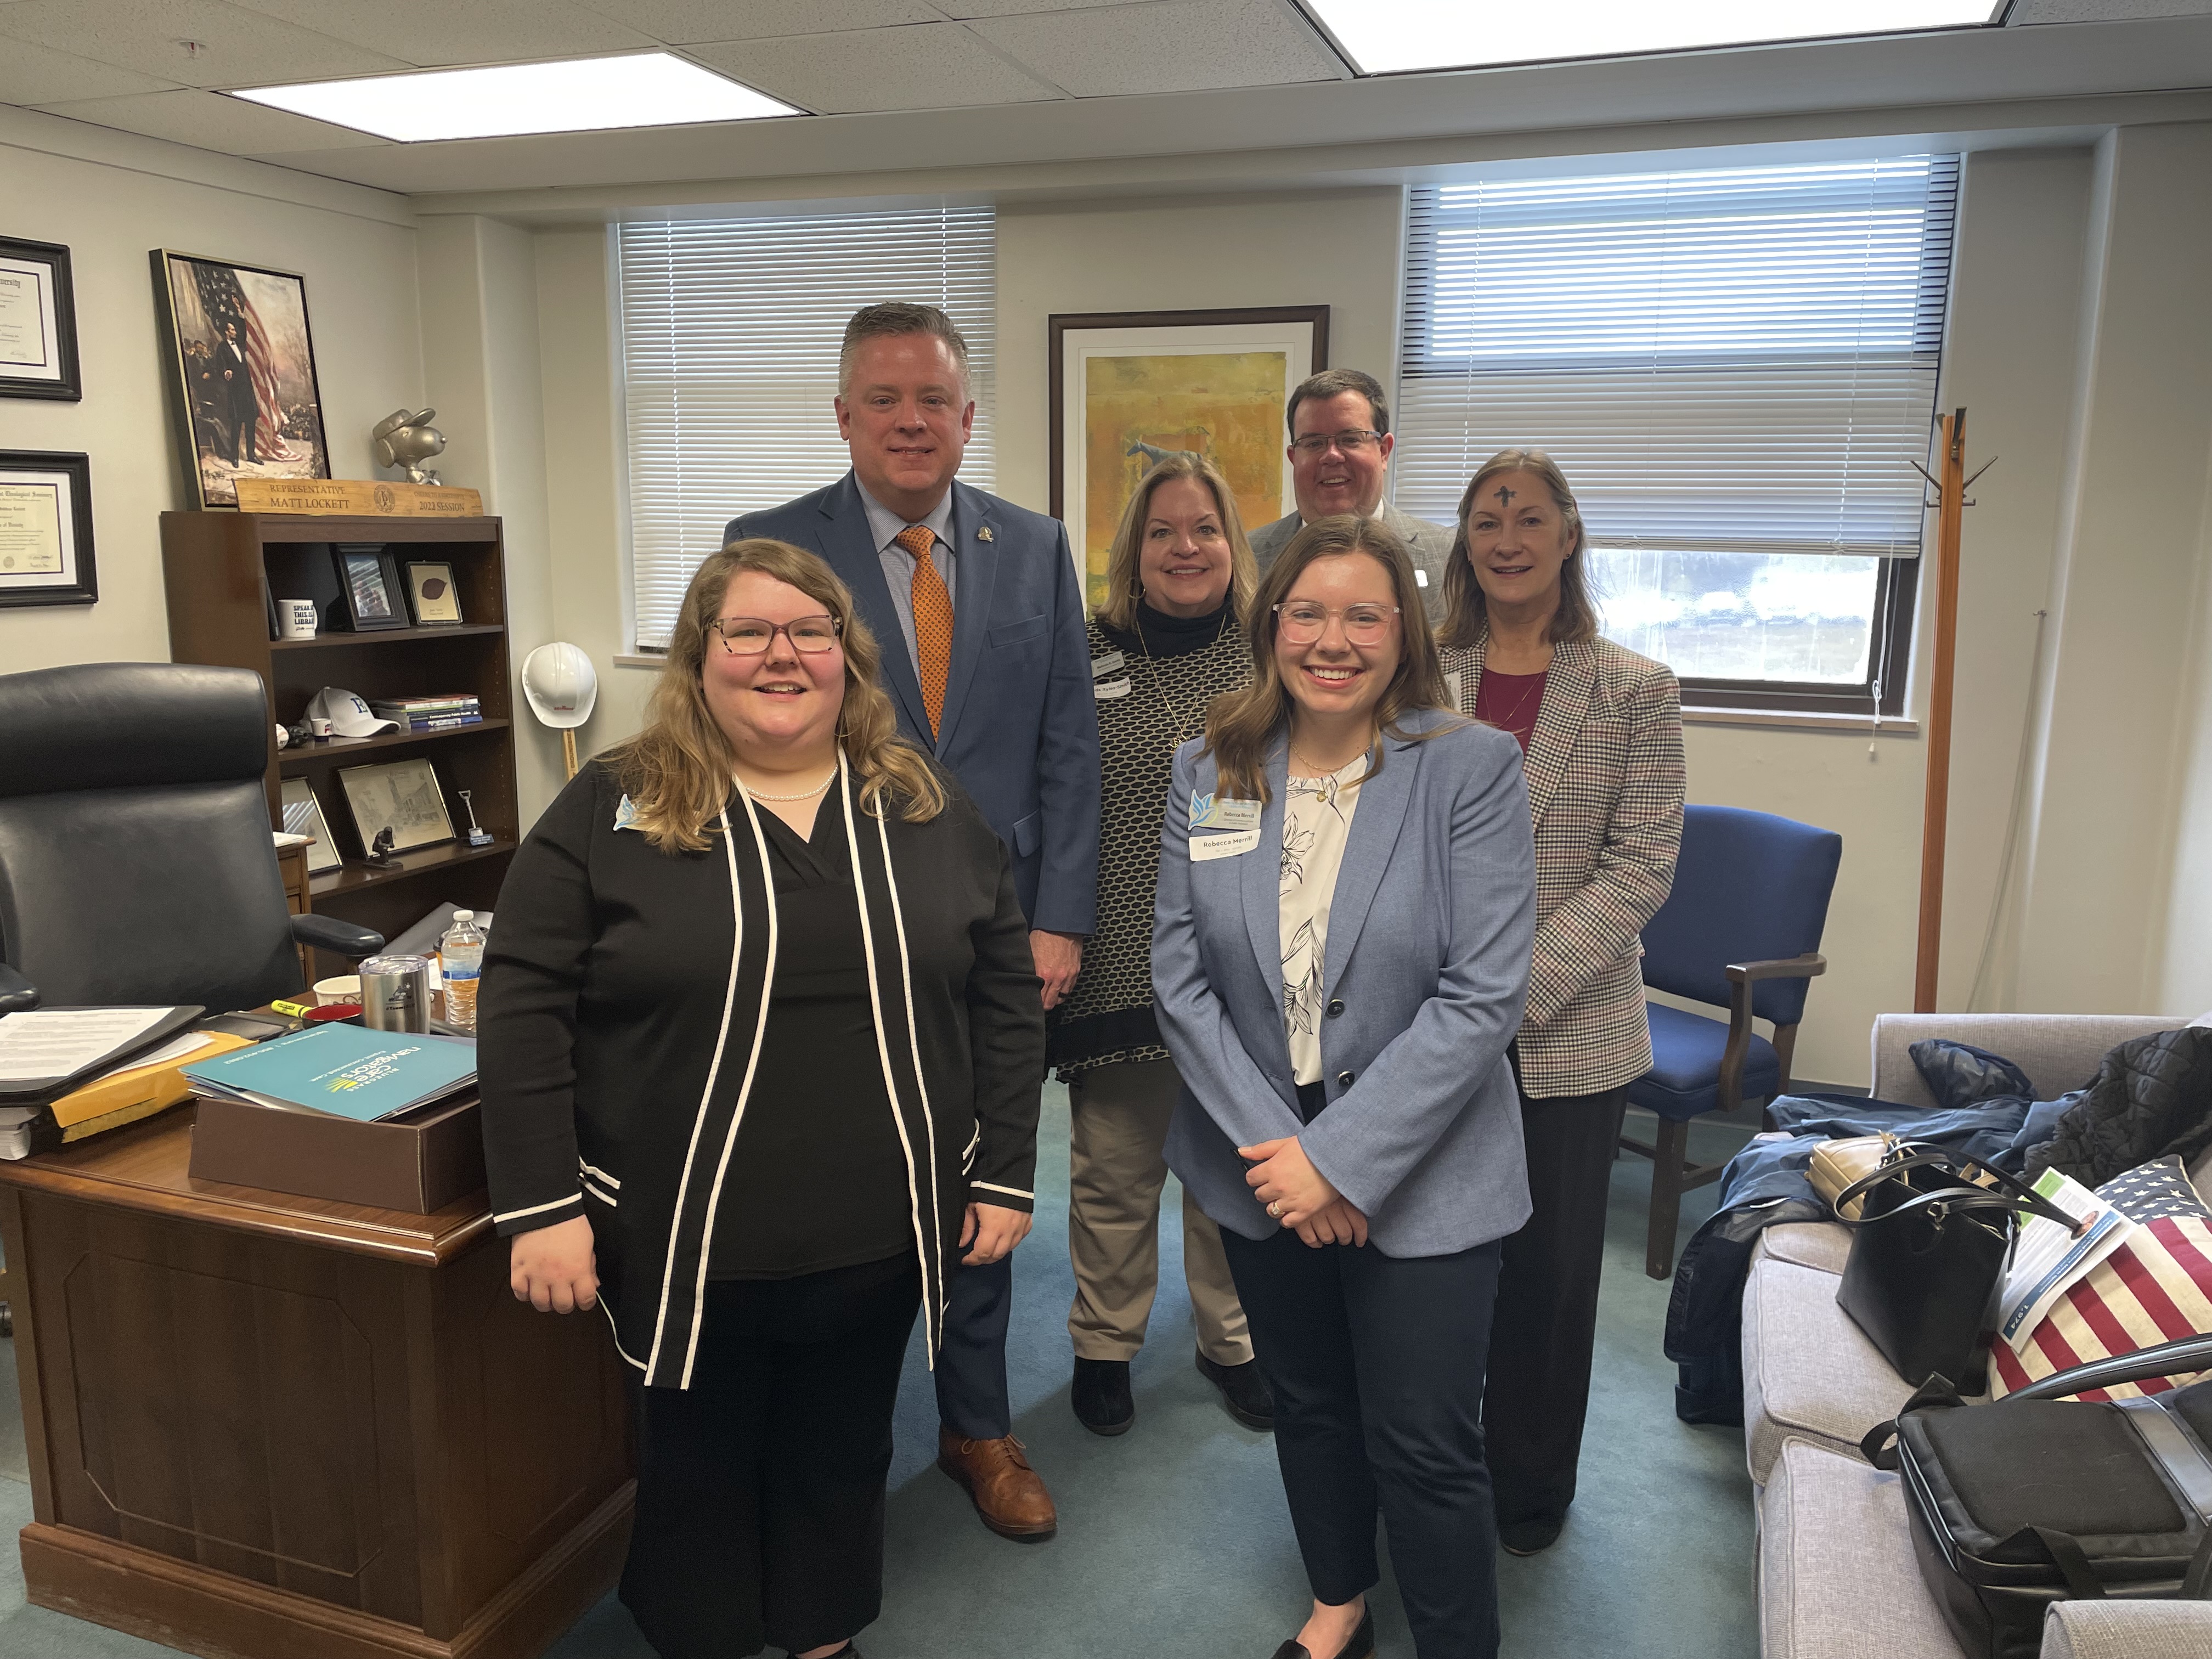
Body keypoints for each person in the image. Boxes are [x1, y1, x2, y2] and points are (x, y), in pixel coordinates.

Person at [479, 540, 1045, 1659]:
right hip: (688, 1229)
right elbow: (523, 999)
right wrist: (542, 1203)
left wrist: (1007, 1165)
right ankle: (708, 1637)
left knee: (842, 1446)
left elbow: (1005, 987)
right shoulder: (614, 806)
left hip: (880, 1226)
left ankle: (822, 1633)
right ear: (700, 658)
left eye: (811, 632)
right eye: (747, 632)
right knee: (698, 1457)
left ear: (848, 656)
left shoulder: (922, 805)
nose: (780, 656)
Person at [730, 301, 1098, 1541]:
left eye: (932, 399)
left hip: (992, 939)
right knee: (835, 1175)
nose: (909, 421)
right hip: (831, 931)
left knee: (987, 1176)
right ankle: (824, 1424)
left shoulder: (1036, 545)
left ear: (966, 416)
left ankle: (976, 1426)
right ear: (843, 417)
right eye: (883, 400)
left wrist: (1058, 918)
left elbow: (1068, 745)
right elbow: (740, 737)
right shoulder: (771, 545)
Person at [1155, 515, 1537, 1659]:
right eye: (1308, 612)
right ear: (1271, 626)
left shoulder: (1466, 767)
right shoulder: (1213, 765)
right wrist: (1288, 1156)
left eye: (1363, 614)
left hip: (1425, 1161)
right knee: (1311, 1403)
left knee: (1423, 1437)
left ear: (1402, 631)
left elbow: (1482, 994)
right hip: (1261, 1154)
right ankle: (1339, 1605)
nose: (1334, 638)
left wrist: (1341, 1158)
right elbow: (1181, 980)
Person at [1436, 448, 1684, 1558]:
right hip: (1424, 1026)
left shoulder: (1635, 688)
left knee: (1545, 1279)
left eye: (1529, 517)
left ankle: (1529, 1490)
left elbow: (1641, 867)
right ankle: (1433, 1468)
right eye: (1488, 517)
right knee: (1435, 1269)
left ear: (1569, 535)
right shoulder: (1419, 674)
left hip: (1569, 1034)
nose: (1507, 537)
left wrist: (1508, 994)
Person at [1048, 454, 1272, 1438]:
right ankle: (1104, 1343)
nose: (1186, 548)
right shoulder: (1083, 652)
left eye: (1205, 528)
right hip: (1120, 955)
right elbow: (1054, 793)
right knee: (1114, 1167)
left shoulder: (1276, 652)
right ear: (1132, 551)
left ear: (1233, 544)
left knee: (1235, 1166)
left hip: (1242, 962)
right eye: (1162, 531)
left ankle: (1233, 1342)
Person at [1246, 369, 1453, 618]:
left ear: (1384, 451)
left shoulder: (1449, 556)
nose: (1332, 455)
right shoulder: (1246, 558)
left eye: (1350, 439)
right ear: (1294, 458)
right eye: (1313, 443)